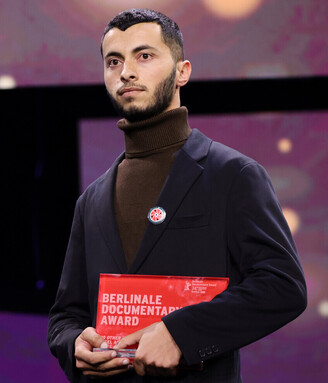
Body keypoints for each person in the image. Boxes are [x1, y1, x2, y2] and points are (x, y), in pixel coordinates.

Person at [47, 8, 307, 382]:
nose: (126, 72)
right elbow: (65, 315)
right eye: (113, 61)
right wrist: (74, 345)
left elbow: (283, 286)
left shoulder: (233, 175)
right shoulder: (92, 199)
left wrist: (180, 335)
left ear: (183, 71)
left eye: (144, 56)